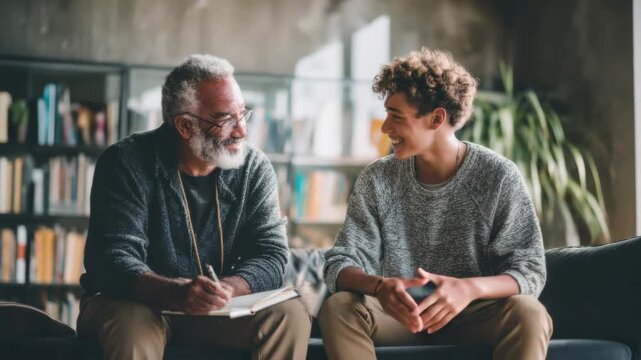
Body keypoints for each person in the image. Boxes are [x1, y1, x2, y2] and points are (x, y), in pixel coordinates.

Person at [319, 48, 552, 360]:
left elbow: (530, 270)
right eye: (387, 114)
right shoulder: (377, 179)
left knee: (529, 313)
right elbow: (339, 264)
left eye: (396, 116)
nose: (386, 128)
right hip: (400, 316)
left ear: (437, 118)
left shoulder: (497, 176)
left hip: (472, 314)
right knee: (339, 307)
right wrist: (380, 286)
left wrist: (469, 289)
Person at [77, 54, 311, 360]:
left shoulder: (254, 168)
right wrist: (176, 292)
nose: (241, 130)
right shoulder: (125, 163)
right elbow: (112, 260)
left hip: (218, 310)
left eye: (243, 114)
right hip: (136, 304)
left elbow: (271, 254)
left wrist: (226, 289)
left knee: (289, 315)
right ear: (185, 125)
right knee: (133, 327)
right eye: (226, 119)